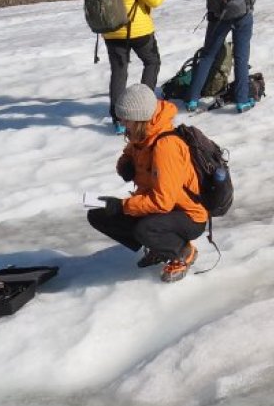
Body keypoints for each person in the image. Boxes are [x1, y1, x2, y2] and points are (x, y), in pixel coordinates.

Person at [88, 84, 206, 283]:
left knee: (145, 229)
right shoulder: (142, 134)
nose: (122, 122)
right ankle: (159, 247)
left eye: (125, 118)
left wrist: (122, 206)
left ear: (139, 118)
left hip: (188, 215)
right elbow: (129, 153)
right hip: (161, 209)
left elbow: (163, 202)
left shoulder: (166, 146)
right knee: (98, 214)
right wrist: (124, 165)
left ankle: (183, 251)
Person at [102, 0, 169, 125]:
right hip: (138, 29)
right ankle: (143, 111)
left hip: (111, 30)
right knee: (152, 62)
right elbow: (154, 0)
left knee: (119, 72)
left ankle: (117, 120)